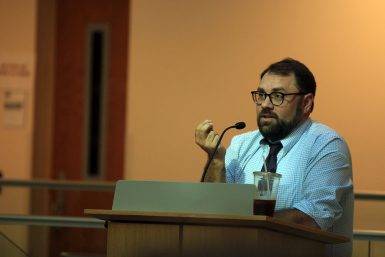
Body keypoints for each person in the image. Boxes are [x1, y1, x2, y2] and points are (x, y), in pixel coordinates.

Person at [195, 58, 353, 257]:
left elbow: (312, 217)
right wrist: (216, 160)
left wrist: (244, 223)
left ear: (306, 103)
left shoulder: (326, 145)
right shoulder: (240, 144)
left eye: (277, 96)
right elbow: (214, 208)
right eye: (261, 95)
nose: (265, 105)